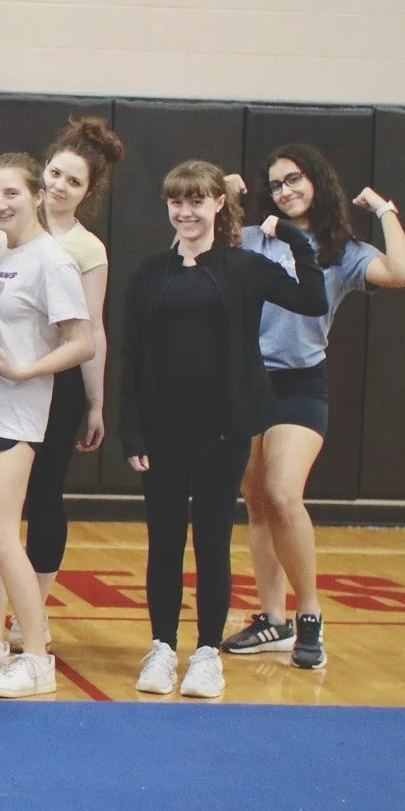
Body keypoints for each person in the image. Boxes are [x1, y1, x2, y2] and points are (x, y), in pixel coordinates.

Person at [120, 160, 326, 701]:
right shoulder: (149, 274)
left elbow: (313, 300)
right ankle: (163, 647)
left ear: (217, 205)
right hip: (163, 432)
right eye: (177, 202)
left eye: (196, 201)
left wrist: (296, 240)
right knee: (163, 543)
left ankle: (207, 652)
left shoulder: (244, 267)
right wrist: (131, 430)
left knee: (211, 541)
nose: (185, 212)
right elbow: (134, 357)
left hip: (223, 429)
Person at [222, 146, 405, 672]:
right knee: (256, 498)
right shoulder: (258, 237)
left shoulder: (343, 250)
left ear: (317, 181)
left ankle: (309, 616)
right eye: (277, 184)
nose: (285, 191)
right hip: (248, 382)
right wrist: (225, 200)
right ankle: (272, 619)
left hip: (300, 384)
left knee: (284, 490)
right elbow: (196, 253)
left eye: (294, 179)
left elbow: (401, 272)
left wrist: (384, 209)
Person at [0, 153, 95, 699]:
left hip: (17, 412)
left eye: (12, 193)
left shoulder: (52, 261)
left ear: (36, 195)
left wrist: (27, 370)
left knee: (1, 535)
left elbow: (81, 341)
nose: (1, 203)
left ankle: (35, 656)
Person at [17, 117, 123, 634]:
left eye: (73, 181)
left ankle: (32, 612)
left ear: (88, 192)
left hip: (57, 384)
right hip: (0, 376)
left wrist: (95, 401)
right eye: (55, 173)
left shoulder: (87, 248)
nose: (59, 186)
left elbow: (93, 328)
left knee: (44, 494)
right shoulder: (7, 216)